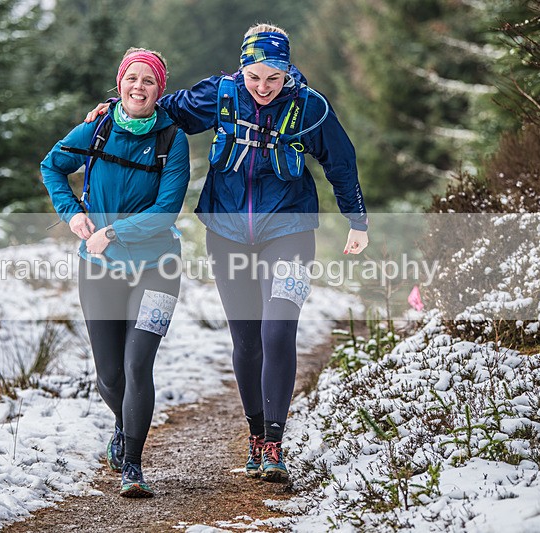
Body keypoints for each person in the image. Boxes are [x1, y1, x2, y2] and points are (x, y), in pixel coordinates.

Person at [88, 23, 369, 483]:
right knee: (247, 340)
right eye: (255, 77)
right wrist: (117, 108)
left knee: (278, 328)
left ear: (286, 73)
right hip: (226, 233)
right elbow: (161, 108)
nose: (262, 88)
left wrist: (357, 219)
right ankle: (256, 434)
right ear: (243, 70)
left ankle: (274, 443)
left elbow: (342, 161)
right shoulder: (220, 96)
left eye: (273, 79)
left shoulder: (309, 107)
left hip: (290, 230)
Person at [41, 48, 190, 498]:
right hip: (100, 267)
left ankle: (133, 465)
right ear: (120, 83)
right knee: (109, 375)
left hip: (159, 268)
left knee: (137, 363)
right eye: (132, 79)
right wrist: (71, 214)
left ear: (159, 90)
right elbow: (52, 166)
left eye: (149, 82)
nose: (139, 88)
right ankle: (125, 430)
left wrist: (111, 230)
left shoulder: (172, 139)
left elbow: (166, 213)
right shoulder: (97, 127)